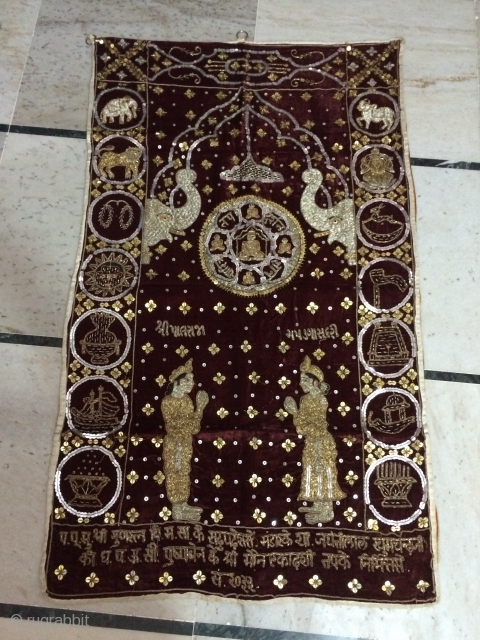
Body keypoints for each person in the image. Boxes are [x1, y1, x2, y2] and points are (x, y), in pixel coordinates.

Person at [284, 355, 346, 524]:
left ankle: (327, 511)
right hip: (311, 441)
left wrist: (296, 415)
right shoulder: (304, 400)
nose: (301, 383)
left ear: (314, 382)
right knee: (312, 471)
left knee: (323, 472)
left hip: (321, 441)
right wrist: (295, 412)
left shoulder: (321, 400)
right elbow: (302, 423)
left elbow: (317, 426)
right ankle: (317, 504)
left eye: (304, 379)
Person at [161, 359, 209, 521]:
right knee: (175, 471)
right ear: (177, 382)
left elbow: (194, 427)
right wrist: (195, 415)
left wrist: (200, 408)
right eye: (188, 380)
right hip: (174, 444)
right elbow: (176, 426)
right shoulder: (168, 402)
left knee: (184, 472)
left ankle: (182, 505)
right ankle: (176, 509)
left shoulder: (187, 401)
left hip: (185, 443)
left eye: (192, 380)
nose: (192, 384)